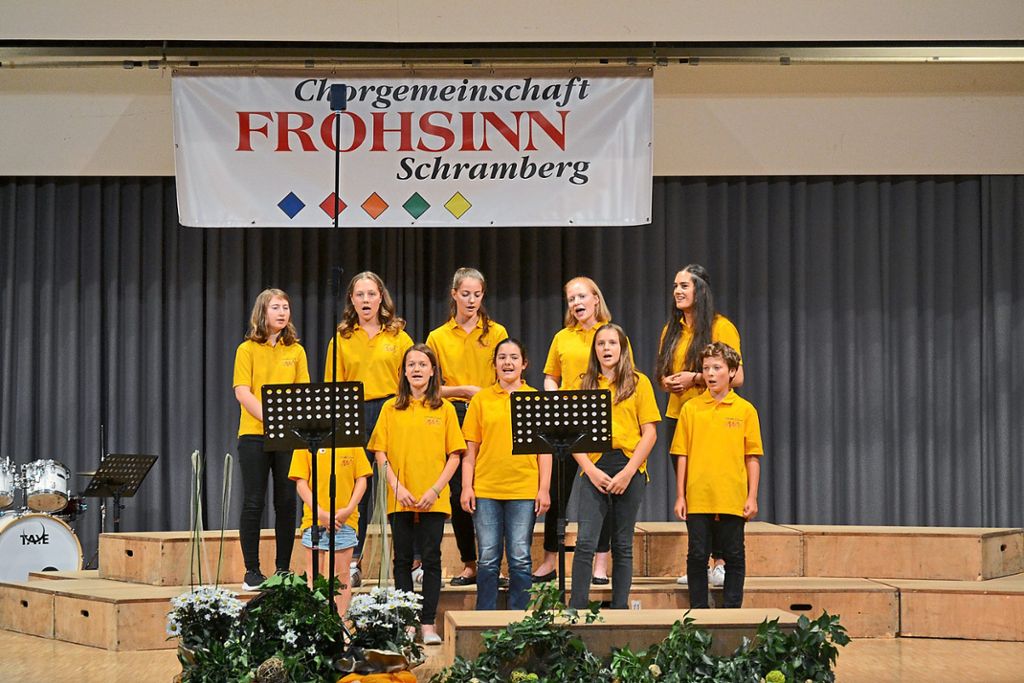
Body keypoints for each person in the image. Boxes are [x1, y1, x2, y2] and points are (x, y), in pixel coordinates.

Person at [368, 344, 466, 645]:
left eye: (422, 364)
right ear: (403, 371)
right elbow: (380, 453)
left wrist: (435, 489)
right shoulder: (390, 408)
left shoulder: (445, 409)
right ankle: (407, 622)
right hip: (401, 497)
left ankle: (427, 624)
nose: (416, 369)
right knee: (402, 560)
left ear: (433, 370)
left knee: (432, 560)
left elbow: (455, 456)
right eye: (411, 364)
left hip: (432, 498)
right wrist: (397, 487)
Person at [654, 264, 743, 586]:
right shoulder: (672, 330)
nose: (677, 291)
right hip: (680, 417)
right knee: (692, 492)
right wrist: (670, 381)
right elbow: (663, 374)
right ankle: (700, 561)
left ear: (699, 291)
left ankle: (720, 562)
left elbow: (739, 376)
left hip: (715, 420)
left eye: (684, 286)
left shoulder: (721, 327)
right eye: (675, 285)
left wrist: (696, 378)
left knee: (715, 491)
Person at [325, 271, 414, 585]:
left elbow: (413, 379)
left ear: (381, 298)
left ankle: (411, 560)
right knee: (357, 490)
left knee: (398, 485)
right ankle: (352, 561)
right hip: (354, 412)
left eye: (371, 294)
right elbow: (333, 387)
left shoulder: (399, 336)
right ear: (352, 299)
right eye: (360, 294)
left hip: (393, 410)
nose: (366, 300)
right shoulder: (342, 338)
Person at [425, 267, 508, 587]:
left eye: (477, 294)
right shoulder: (438, 336)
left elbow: (507, 376)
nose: (471, 300)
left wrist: (484, 395)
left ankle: (494, 565)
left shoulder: (496, 332)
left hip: (491, 415)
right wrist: (463, 391)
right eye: (466, 294)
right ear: (454, 294)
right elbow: (431, 387)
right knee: (460, 492)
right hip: (455, 415)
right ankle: (469, 562)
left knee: (491, 489)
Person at [569, 324, 660, 609]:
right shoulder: (585, 384)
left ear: (622, 348)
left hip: (628, 466)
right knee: (585, 542)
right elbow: (574, 436)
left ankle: (620, 608)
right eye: (600, 344)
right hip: (594, 466)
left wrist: (629, 472)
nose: (606, 349)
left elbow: (650, 433)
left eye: (612, 343)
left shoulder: (638, 382)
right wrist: (591, 470)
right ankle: (577, 608)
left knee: (622, 544)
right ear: (594, 349)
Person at [534, 276, 617, 584]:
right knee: (557, 491)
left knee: (601, 491)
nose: (576, 303)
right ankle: (551, 558)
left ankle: (600, 562)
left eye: (582, 296)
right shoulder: (562, 337)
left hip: (600, 419)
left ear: (596, 298)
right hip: (566, 423)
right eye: (571, 299)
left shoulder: (610, 334)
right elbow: (550, 376)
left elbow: (624, 373)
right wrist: (554, 395)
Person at [461, 338, 551, 610]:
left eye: (513, 357)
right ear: (495, 364)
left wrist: (543, 488)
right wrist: (467, 486)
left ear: (524, 364)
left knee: (520, 557)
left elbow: (544, 450)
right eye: (502, 357)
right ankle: (483, 618)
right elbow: (470, 449)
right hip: (486, 489)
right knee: (487, 558)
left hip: (523, 490)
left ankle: (519, 619)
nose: (507, 363)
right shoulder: (481, 400)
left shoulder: (534, 399)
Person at [671, 342, 762, 609]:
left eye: (717, 368)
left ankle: (731, 612)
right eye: (706, 368)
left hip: (732, 496)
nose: (710, 374)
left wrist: (752, 496)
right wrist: (680, 495)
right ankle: (698, 611)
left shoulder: (745, 410)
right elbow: (682, 454)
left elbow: (752, 456)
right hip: (699, 496)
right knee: (697, 555)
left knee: (734, 555)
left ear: (732, 371)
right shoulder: (691, 409)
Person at [233, 288, 310, 590]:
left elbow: (303, 392)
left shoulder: (296, 351)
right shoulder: (247, 349)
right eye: (276, 307)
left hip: (288, 437)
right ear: (262, 313)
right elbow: (242, 391)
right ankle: (252, 570)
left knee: (287, 502)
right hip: (253, 434)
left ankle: (283, 568)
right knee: (253, 501)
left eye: (286, 307)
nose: (282, 313)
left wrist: (285, 422)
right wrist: (273, 418)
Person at [288, 444, 371, 616]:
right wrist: (321, 514)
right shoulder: (306, 443)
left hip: (345, 520)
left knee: (342, 576)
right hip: (314, 520)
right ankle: (316, 623)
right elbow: (301, 483)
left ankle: (340, 623)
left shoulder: (351, 443)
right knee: (313, 577)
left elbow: (362, 479)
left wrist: (348, 510)